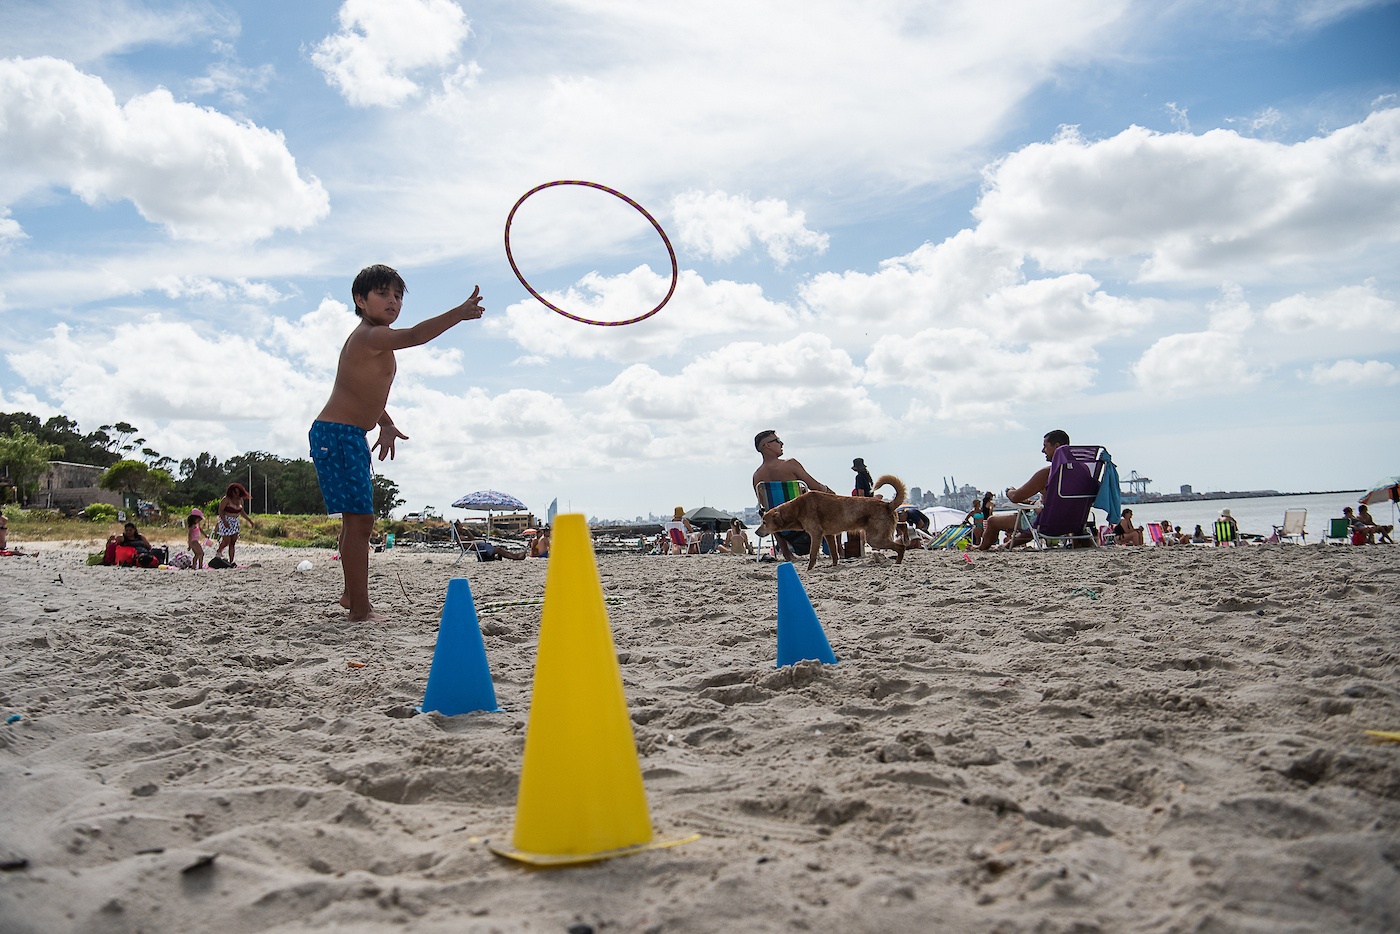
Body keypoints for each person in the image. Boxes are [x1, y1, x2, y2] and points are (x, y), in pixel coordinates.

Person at [310, 265, 485, 621]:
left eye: (398, 295)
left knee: (354, 523)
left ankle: (350, 595)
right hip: (338, 434)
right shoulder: (370, 336)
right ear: (360, 300)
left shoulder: (374, 339)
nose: (393, 301)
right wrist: (459, 313)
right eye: (383, 294)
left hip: (346, 434)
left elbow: (361, 391)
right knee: (360, 522)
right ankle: (360, 609)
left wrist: (385, 422)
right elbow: (418, 334)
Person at [976, 430, 1071, 551]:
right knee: (1031, 519)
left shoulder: (1048, 473)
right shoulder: (1082, 471)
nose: (1043, 451)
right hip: (1072, 521)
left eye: (1045, 446)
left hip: (1048, 522)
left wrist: (1009, 490)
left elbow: (1016, 497)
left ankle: (980, 548)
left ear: (1057, 446)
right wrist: (1034, 503)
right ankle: (1005, 546)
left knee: (992, 521)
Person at [753, 429, 834, 560]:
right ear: (768, 445)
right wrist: (830, 492)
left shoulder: (757, 476)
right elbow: (815, 487)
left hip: (783, 529)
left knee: (769, 513)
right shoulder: (790, 464)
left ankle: (786, 553)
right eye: (778, 441)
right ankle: (838, 550)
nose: (782, 443)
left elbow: (766, 508)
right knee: (833, 502)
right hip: (805, 524)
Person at [214, 483, 256, 566]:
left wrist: (249, 520)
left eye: (238, 492)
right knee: (226, 540)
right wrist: (224, 521)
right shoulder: (226, 499)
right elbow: (221, 511)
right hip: (226, 520)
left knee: (233, 542)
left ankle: (231, 560)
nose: (237, 494)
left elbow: (242, 512)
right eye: (235, 492)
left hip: (235, 521)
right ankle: (219, 551)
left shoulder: (240, 500)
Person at [458, 522, 525, 561]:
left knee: (499, 549)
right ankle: (515, 557)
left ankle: (516, 556)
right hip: (480, 547)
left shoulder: (461, 536)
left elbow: (471, 539)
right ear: (458, 528)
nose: (463, 528)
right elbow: (472, 539)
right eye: (461, 527)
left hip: (480, 546)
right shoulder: (460, 537)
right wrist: (467, 531)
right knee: (499, 550)